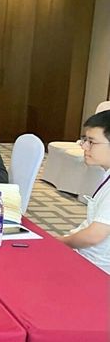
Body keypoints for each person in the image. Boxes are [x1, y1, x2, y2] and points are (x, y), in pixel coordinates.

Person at [58, 111, 110, 273]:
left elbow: (94, 236)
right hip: (86, 256)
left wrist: (60, 242)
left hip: (97, 270)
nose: (84, 146)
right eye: (85, 140)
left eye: (91, 142)